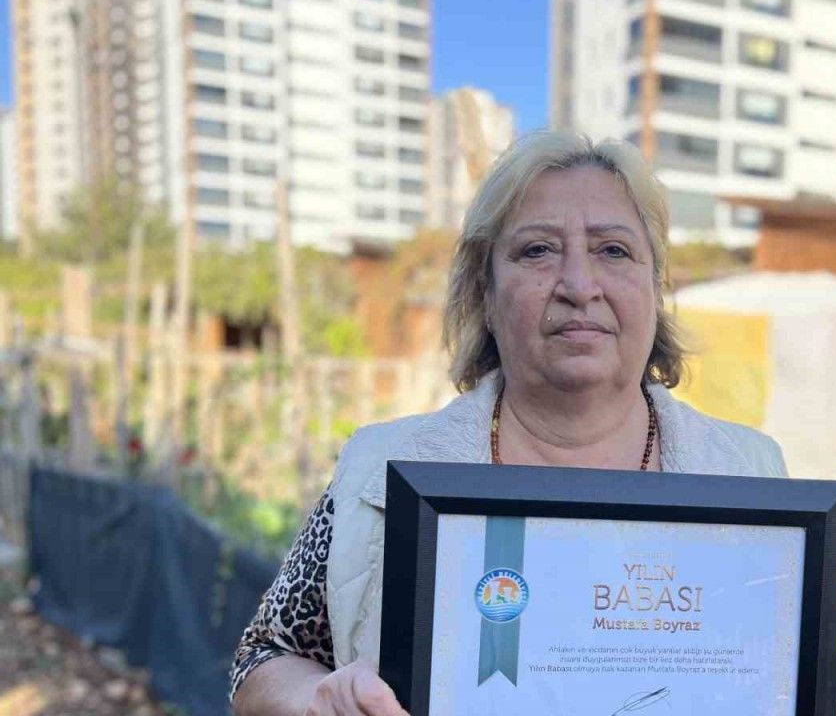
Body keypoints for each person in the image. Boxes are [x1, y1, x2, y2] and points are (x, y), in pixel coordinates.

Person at [229, 132, 788, 715]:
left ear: (655, 288)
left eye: (614, 250)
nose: (579, 286)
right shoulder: (378, 474)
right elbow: (261, 656)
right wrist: (317, 699)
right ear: (487, 295)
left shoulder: (753, 476)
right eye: (538, 250)